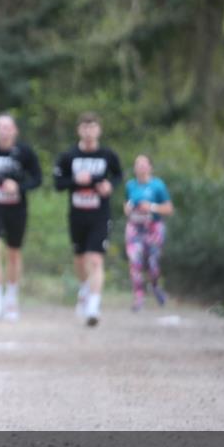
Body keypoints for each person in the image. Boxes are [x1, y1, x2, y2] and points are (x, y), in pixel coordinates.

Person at [53, 112, 123, 327]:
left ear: (99, 130)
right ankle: (85, 289)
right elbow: (58, 183)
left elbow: (118, 176)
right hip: (77, 214)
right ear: (79, 130)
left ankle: (93, 306)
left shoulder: (108, 155)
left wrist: (109, 186)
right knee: (80, 260)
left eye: (92, 127)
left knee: (96, 259)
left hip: (99, 215)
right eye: (85, 127)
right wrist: (75, 180)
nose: (89, 131)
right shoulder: (69, 156)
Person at [0, 114, 42, 321]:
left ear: (15, 131)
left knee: (13, 254)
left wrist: (19, 187)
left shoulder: (25, 152)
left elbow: (37, 179)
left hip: (16, 208)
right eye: (0, 127)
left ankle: (11, 300)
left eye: (7, 127)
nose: (3, 131)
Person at [124, 155, 174, 311]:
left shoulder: (158, 185)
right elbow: (126, 204)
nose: (141, 167)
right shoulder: (130, 185)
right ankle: (138, 297)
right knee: (135, 262)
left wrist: (151, 207)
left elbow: (169, 209)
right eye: (138, 164)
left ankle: (155, 286)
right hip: (135, 227)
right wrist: (128, 209)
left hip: (153, 228)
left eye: (144, 164)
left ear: (150, 167)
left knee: (152, 263)